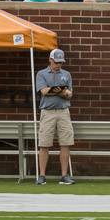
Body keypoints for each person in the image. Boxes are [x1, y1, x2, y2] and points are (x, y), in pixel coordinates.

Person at [35, 48, 74, 185]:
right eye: (56, 62)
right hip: (47, 112)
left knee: (65, 143)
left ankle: (64, 176)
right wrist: (60, 91)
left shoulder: (67, 74)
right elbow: (44, 91)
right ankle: (42, 176)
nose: (58, 65)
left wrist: (59, 91)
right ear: (50, 60)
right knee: (44, 144)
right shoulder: (41, 74)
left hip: (64, 111)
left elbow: (69, 93)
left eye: (61, 62)